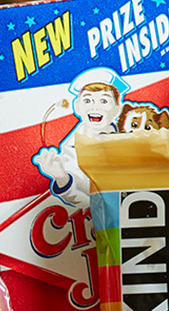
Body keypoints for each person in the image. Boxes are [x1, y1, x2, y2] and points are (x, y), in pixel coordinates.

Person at [32, 68, 128, 210]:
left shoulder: (130, 137)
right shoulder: (70, 152)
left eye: (103, 101)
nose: (95, 107)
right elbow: (80, 199)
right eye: (88, 100)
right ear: (78, 107)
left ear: (117, 108)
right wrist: (61, 178)